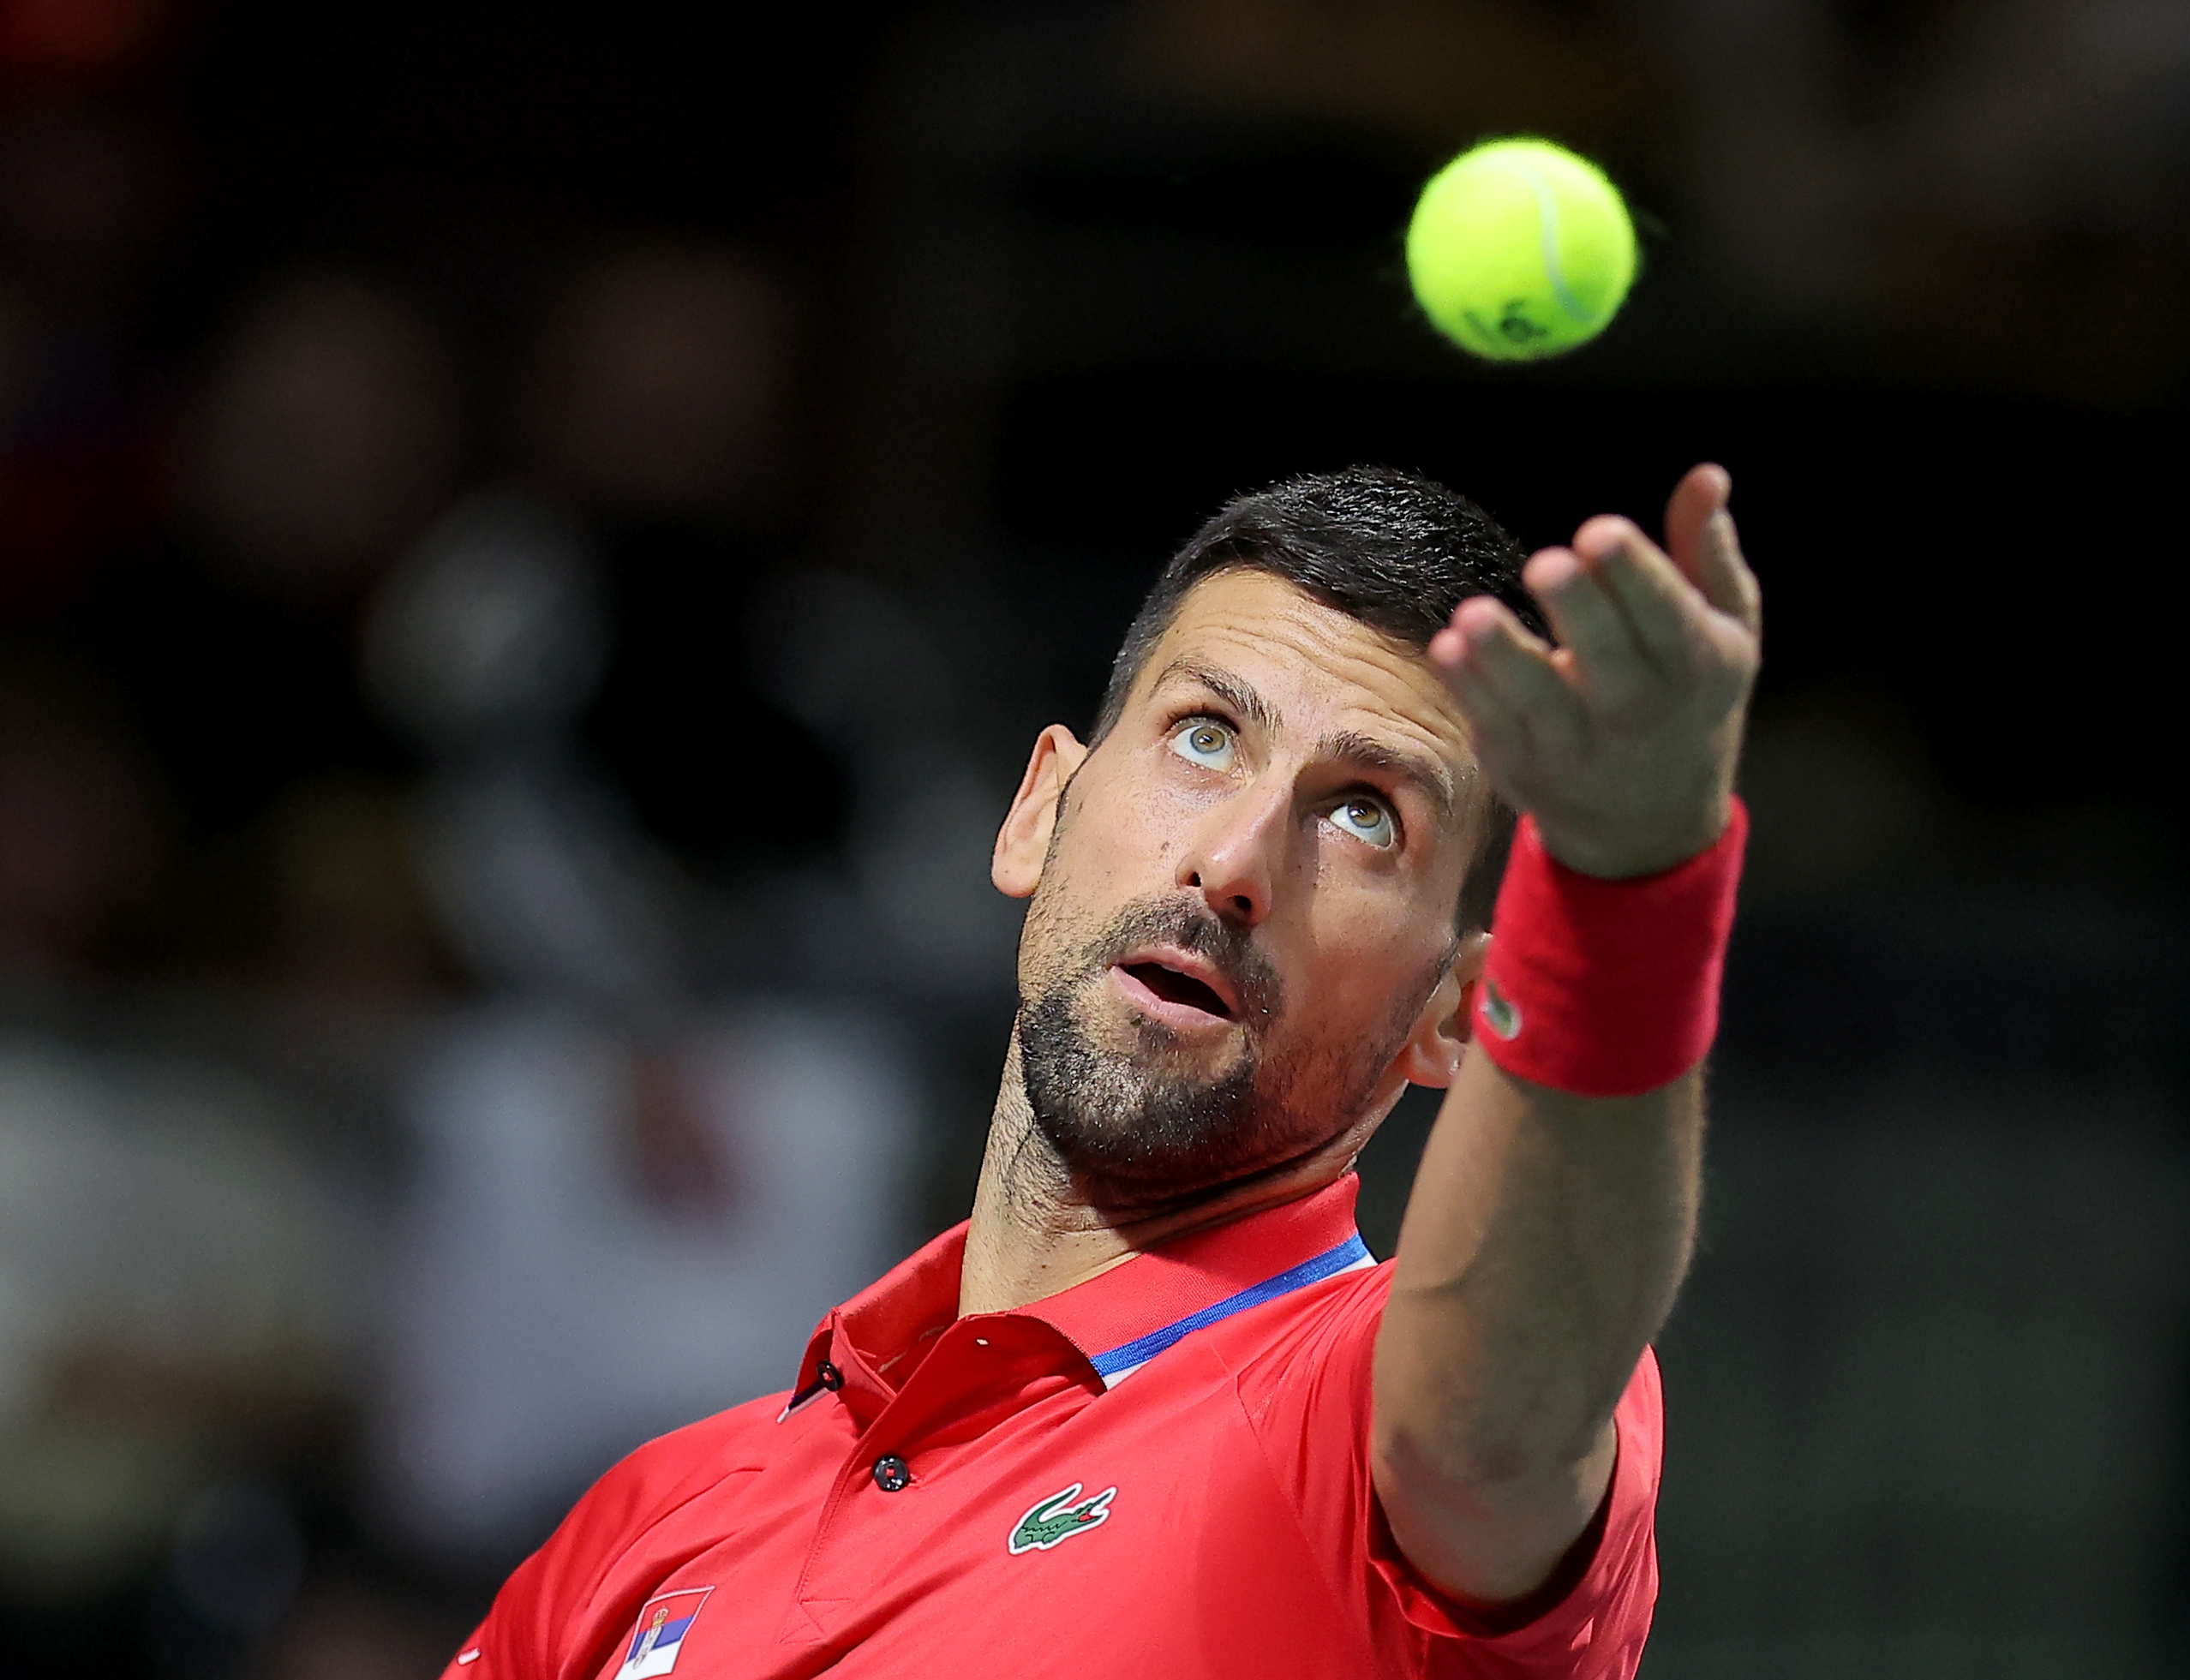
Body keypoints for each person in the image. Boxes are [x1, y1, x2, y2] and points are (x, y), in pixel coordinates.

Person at [440, 460, 1762, 1679]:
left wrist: (1624, 883)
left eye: (1367, 815)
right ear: (1039, 809)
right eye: (1203, 735)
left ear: (1458, 1010)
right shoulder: (647, 1521)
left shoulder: (1359, 1416)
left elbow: (1503, 1398)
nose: (1236, 863)